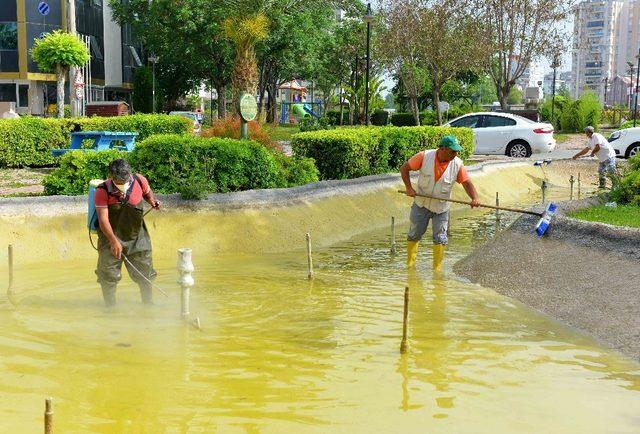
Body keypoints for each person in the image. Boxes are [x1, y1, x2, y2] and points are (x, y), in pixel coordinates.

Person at [400, 135, 480, 270]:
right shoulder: (424, 156)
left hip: (441, 207)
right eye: (452, 151)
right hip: (421, 203)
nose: (455, 154)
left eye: (456, 151)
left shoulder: (457, 164)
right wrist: (409, 188)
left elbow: (466, 183)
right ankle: (410, 265)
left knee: (440, 237)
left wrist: (475, 198)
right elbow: (404, 168)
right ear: (442, 149)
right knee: (414, 234)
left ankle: (437, 269)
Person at [94, 159, 161, 306]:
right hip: (109, 236)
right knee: (108, 274)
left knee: (145, 271)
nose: (122, 183)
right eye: (118, 181)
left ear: (129, 174)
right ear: (110, 176)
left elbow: (148, 193)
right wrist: (113, 241)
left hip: (137, 236)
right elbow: (103, 220)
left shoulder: (139, 180)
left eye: (124, 180)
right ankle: (110, 309)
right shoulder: (102, 191)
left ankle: (148, 304)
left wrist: (152, 201)